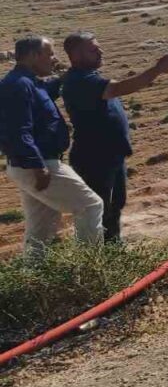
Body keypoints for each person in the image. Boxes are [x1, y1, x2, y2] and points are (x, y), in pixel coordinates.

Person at [60, 32, 168, 243]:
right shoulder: (81, 81)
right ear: (75, 57)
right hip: (94, 159)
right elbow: (120, 88)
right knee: (99, 212)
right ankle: (96, 263)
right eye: (93, 50)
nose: (100, 52)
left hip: (109, 157)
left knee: (113, 208)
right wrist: (157, 70)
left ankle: (112, 255)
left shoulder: (90, 78)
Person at [0, 36, 104, 252]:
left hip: (31, 164)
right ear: (33, 56)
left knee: (41, 229)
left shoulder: (27, 82)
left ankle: (32, 279)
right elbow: (18, 131)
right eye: (49, 54)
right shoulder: (18, 85)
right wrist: (38, 167)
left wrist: (67, 76)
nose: (53, 59)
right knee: (90, 205)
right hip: (40, 165)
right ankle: (91, 269)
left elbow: (47, 93)